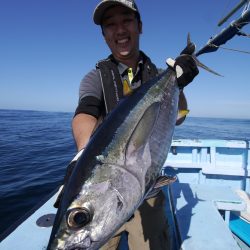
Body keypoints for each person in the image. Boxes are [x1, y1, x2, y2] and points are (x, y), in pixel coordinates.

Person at [60, 0, 199, 249]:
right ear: (104, 37)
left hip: (148, 191)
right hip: (104, 194)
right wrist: (83, 151)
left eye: (126, 20)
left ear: (139, 26)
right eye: (110, 25)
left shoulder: (158, 75)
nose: (120, 30)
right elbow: (86, 112)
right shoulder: (95, 78)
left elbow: (179, 116)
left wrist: (180, 83)